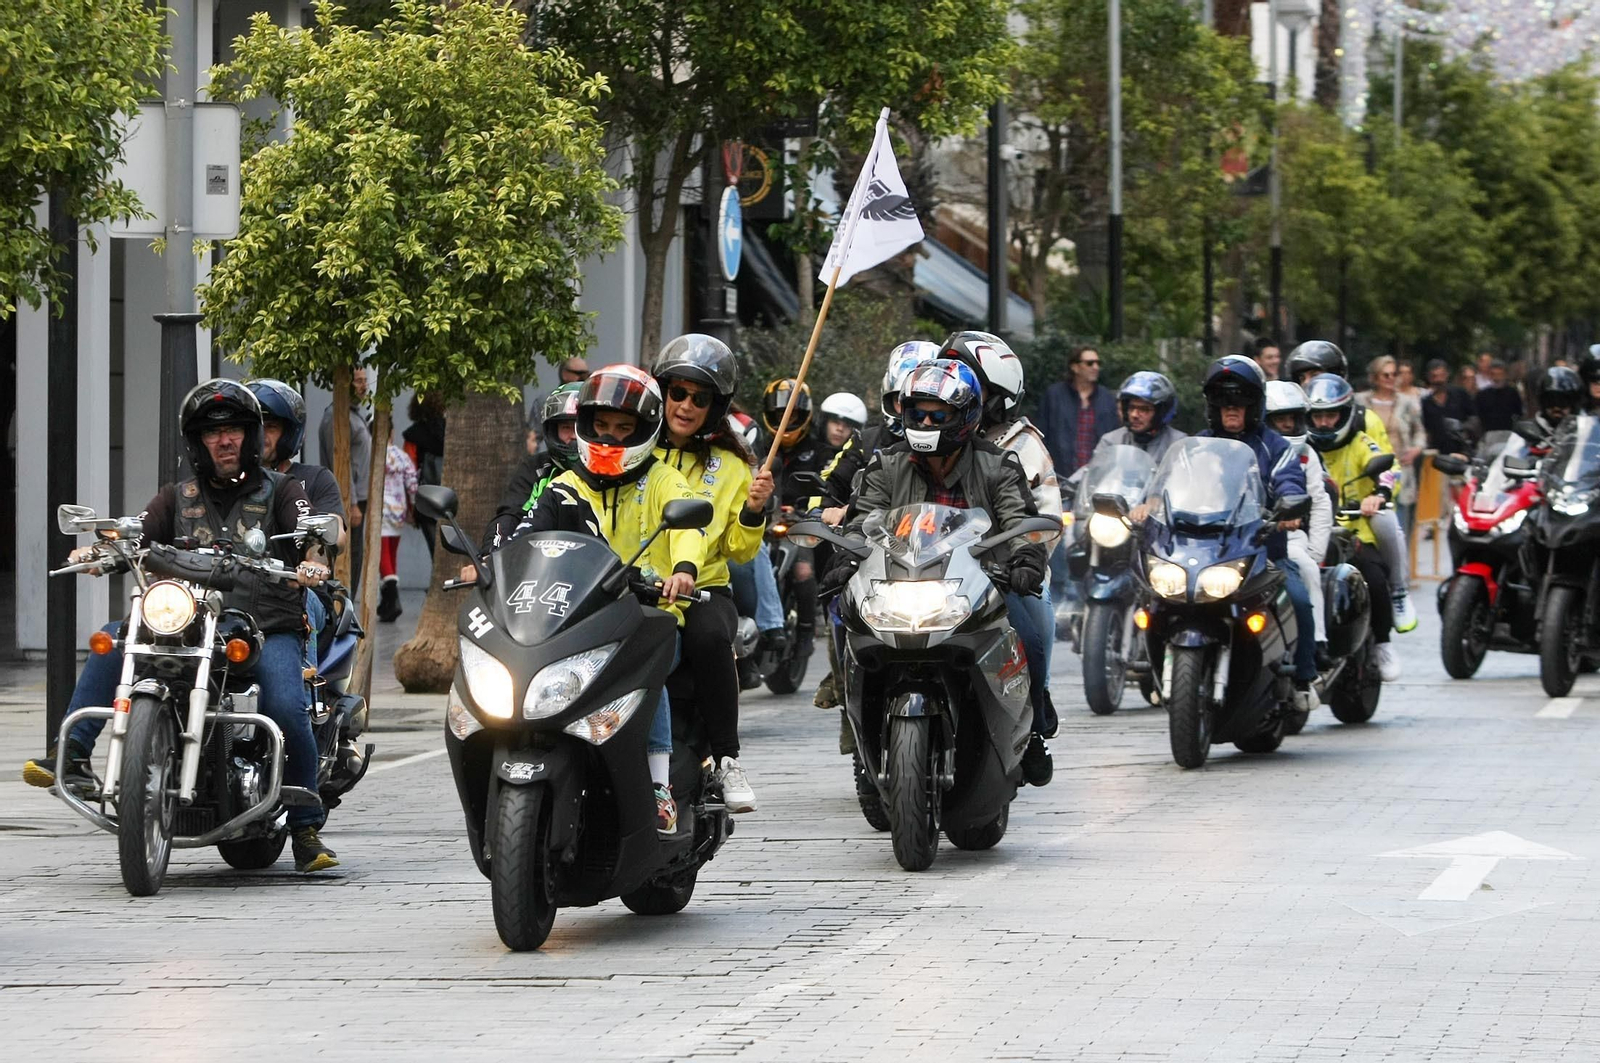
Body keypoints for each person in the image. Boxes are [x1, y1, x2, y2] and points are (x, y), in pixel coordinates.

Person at [23, 380, 339, 873]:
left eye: (234, 429)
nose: (225, 440)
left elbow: (310, 533)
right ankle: (73, 755)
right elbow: (138, 531)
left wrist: (313, 558)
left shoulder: (284, 490)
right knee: (114, 639)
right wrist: (100, 551)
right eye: (213, 433)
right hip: (188, 621)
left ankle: (305, 825)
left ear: (251, 436)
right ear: (198, 442)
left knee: (282, 699)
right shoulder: (178, 496)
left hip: (262, 624)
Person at [828, 359, 1056, 786]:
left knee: (1032, 632)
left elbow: (1017, 519)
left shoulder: (998, 464)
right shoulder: (885, 464)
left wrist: (1025, 560)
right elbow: (863, 518)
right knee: (843, 624)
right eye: (918, 413)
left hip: (978, 585)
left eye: (939, 414)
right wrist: (845, 560)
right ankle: (862, 740)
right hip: (898, 585)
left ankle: (1035, 725)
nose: (927, 421)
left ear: (966, 416)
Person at [502, 365, 701, 834]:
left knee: (648, 669)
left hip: (646, 614)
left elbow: (690, 529)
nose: (611, 436)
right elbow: (529, 537)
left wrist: (683, 571)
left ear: (645, 432)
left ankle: (658, 787)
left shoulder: (663, 481)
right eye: (603, 426)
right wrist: (498, 568)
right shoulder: (566, 486)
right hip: (576, 620)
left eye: (624, 428)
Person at [650, 334, 775, 813]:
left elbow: (739, 552)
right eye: (677, 393)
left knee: (706, 639)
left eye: (699, 398)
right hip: (635, 588)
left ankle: (726, 758)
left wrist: (754, 510)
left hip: (703, 591)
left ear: (714, 407)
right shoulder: (635, 450)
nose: (684, 406)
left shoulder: (732, 465)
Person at [938, 330, 1063, 741]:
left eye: (972, 384)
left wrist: (1023, 562)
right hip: (927, 572)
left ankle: (1034, 714)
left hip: (1000, 572)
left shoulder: (1021, 445)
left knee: (1033, 632)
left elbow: (1044, 518)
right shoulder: (925, 438)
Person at [1191, 356, 1319, 691]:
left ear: (1255, 405)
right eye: (1224, 402)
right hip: (1206, 554)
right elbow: (1171, 485)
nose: (1232, 409)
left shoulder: (1275, 447)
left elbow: (1291, 482)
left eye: (1240, 402)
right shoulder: (1199, 446)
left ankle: (1305, 678)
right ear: (1213, 406)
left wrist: (1288, 510)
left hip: (1263, 553)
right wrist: (1150, 505)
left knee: (1299, 598)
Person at [1285, 341, 1417, 633]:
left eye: (1318, 374)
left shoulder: (1364, 421)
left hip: (1356, 520)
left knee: (1378, 554)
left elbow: (1386, 464)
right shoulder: (1287, 421)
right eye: (1304, 377)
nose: (1311, 383)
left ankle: (1396, 595)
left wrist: (1377, 496)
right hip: (1300, 522)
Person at [1304, 374, 1400, 681]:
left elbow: (1386, 470)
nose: (1324, 423)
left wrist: (1378, 495)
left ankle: (1382, 643)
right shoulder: (1300, 448)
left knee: (1374, 577)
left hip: (1355, 531)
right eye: (1317, 416)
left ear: (1344, 414)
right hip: (1307, 532)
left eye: (1330, 415)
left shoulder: (1360, 442)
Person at [248, 378, 347, 672]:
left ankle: (303, 699)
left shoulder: (314, 479)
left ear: (290, 433)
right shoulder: (225, 483)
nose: (261, 434)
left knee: (301, 606)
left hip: (298, 589)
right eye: (253, 425)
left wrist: (313, 562)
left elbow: (334, 532)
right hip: (238, 589)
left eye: (272, 426)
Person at [1264, 381, 1333, 662]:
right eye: (1281, 419)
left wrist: (1315, 551)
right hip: (1239, 537)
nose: (1289, 425)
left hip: (1287, 538)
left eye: (1293, 418)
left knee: (1305, 567)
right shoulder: (1250, 448)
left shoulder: (1307, 455)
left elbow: (1318, 501)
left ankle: (1316, 642)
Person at [762, 378, 828, 657]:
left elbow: (827, 485)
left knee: (803, 570)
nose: (785, 420)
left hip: (800, 525)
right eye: (779, 415)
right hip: (763, 522)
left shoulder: (820, 451)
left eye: (792, 415)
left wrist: (810, 510)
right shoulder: (760, 447)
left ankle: (805, 632)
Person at [481, 383, 582, 554]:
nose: (572, 435)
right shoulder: (535, 469)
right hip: (538, 569)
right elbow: (510, 516)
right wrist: (491, 556)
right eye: (566, 427)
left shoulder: (609, 475)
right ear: (552, 431)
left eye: (579, 427)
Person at [1071, 371, 1187, 480]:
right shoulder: (1111, 441)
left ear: (1161, 412)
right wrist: (1065, 488)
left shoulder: (1178, 443)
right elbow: (1092, 472)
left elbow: (1186, 483)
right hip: (1117, 500)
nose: (1134, 415)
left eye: (1144, 409)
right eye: (1131, 408)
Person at [1358, 356, 1425, 536]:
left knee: (1400, 527)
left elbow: (1420, 431)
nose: (1390, 378)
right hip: (1369, 469)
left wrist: (1416, 450)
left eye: (1393, 374)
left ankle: (1401, 563)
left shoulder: (1406, 402)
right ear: (1375, 377)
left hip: (1400, 468)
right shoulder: (1361, 402)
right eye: (1385, 375)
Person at [319, 366, 372, 588]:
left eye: (364, 380)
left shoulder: (355, 415)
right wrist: (351, 503)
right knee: (349, 557)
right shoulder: (336, 417)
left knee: (357, 556)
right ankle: (343, 605)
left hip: (360, 496)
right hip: (350, 500)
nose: (364, 386)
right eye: (358, 381)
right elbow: (340, 459)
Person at [1036, 344, 1119, 484]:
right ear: (1075, 367)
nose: (1096, 367)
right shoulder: (1054, 395)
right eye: (1090, 363)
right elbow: (1042, 434)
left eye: (1098, 363)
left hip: (1096, 478)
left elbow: (1114, 436)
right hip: (1060, 476)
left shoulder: (1107, 398)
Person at [376, 441, 418, 623]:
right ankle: (388, 601)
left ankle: (391, 599)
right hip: (399, 508)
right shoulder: (402, 456)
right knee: (391, 555)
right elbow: (412, 482)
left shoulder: (375, 453)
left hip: (381, 509)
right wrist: (412, 507)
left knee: (381, 555)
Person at [402, 393, 445, 556]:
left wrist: (410, 508)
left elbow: (409, 473)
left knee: (435, 550)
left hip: (426, 500)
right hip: (452, 498)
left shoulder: (412, 436)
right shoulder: (452, 432)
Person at [1420, 358, 1477, 452]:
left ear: (1447, 375)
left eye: (1441, 375)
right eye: (1434, 376)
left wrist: (1463, 429)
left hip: (1462, 451)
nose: (1438, 380)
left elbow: (1474, 418)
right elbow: (1425, 430)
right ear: (1429, 378)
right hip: (1437, 453)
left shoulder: (1460, 394)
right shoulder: (1425, 403)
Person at [1475, 359, 1523, 434]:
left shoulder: (1512, 393)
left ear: (1505, 375)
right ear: (1490, 375)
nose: (1496, 378)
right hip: (1488, 435)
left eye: (1500, 374)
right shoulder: (1482, 395)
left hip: (1508, 434)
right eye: (1493, 374)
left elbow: (1518, 414)